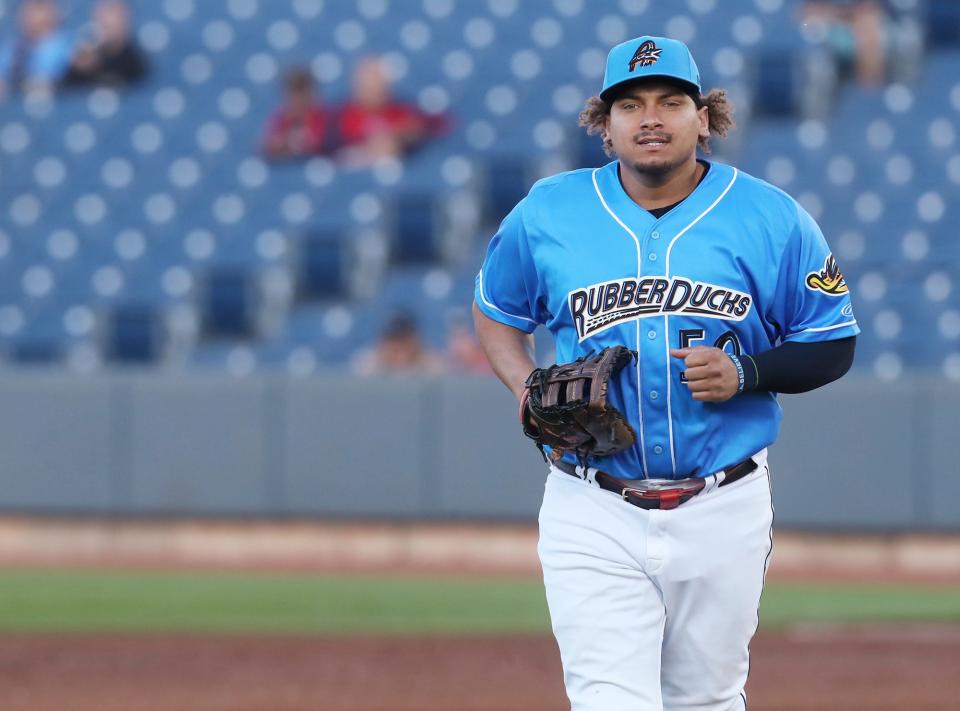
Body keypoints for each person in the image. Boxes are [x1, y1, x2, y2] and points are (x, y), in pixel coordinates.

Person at [473, 36, 858, 710]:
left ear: (703, 117)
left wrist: (746, 371)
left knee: (706, 699)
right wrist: (522, 384)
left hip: (723, 503)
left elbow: (832, 342)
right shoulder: (549, 212)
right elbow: (496, 310)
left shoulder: (771, 217)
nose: (650, 117)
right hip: (592, 501)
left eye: (671, 101)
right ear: (605, 125)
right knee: (609, 699)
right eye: (631, 104)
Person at [336, 55, 446, 166]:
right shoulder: (338, 118)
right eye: (368, 81)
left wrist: (402, 137)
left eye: (378, 81)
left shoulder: (405, 114)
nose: (374, 87)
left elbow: (432, 126)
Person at [800, 0, 890, 86]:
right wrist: (845, 15)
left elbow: (872, 10)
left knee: (869, 32)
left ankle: (872, 95)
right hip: (831, 33)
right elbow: (807, 12)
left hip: (853, 26)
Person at [64, 0, 147, 87]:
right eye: (106, 13)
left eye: (116, 13)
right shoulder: (83, 56)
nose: (111, 20)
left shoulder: (136, 61)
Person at [0, 0, 73, 99]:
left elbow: (45, 80)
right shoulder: (14, 47)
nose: (27, 14)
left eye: (36, 8)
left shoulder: (64, 46)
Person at [261, 66, 329, 160]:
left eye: (302, 92)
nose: (299, 99)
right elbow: (268, 145)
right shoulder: (280, 118)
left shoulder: (323, 118)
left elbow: (325, 144)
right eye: (294, 93)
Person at [352, 311, 444, 375]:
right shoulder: (368, 363)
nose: (398, 346)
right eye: (392, 340)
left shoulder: (429, 362)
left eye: (403, 339)